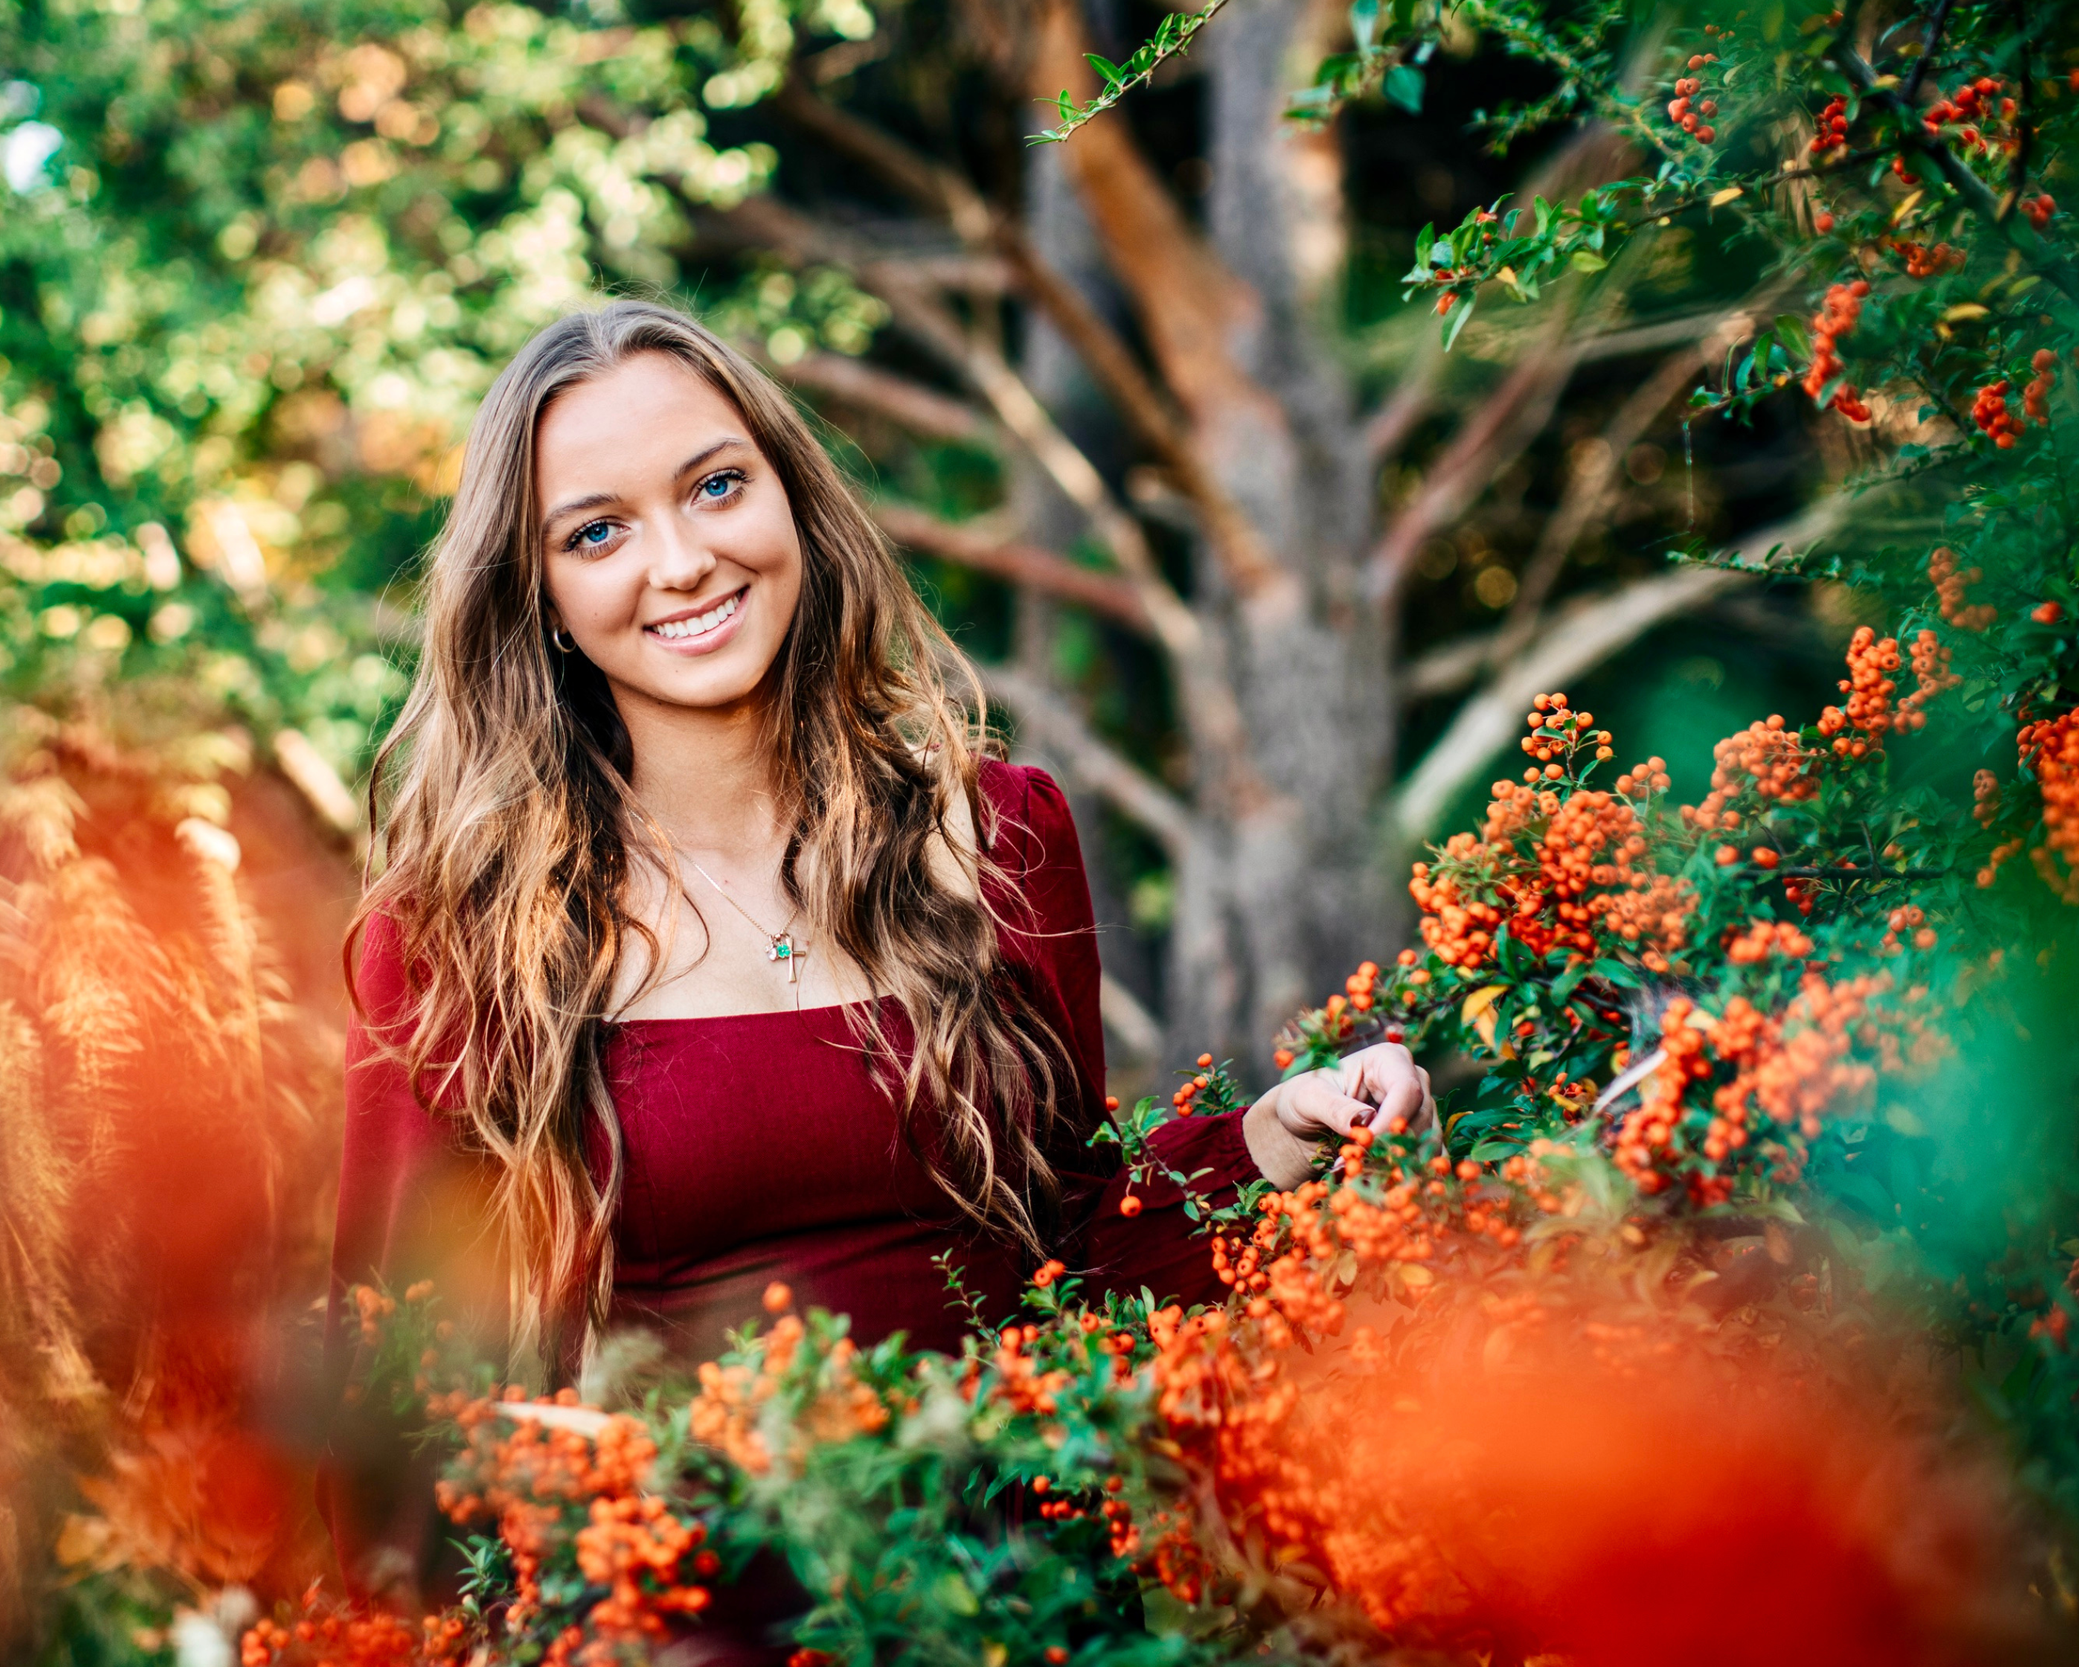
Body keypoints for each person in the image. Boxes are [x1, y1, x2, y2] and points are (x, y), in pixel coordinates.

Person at [324, 299, 1435, 1610]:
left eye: (716, 486)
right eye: (598, 532)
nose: (682, 561)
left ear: (792, 501)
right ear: (545, 597)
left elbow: (1070, 1242)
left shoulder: (998, 835)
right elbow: (396, 1387)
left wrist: (1278, 1134)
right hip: (686, 1624)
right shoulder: (463, 934)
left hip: (1024, 1604)